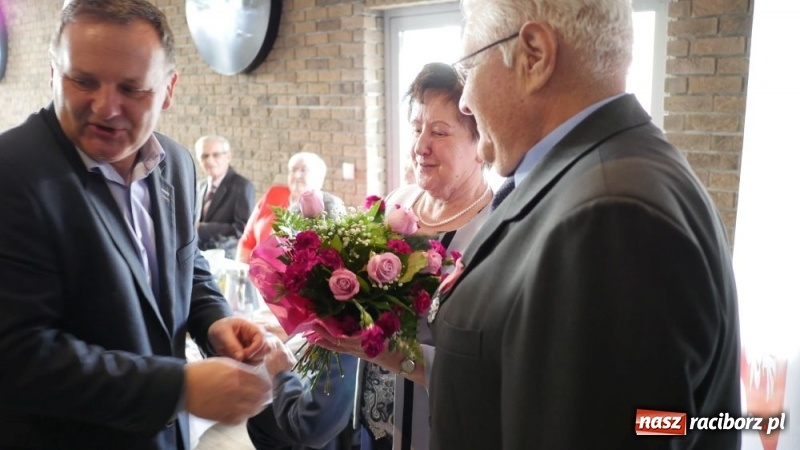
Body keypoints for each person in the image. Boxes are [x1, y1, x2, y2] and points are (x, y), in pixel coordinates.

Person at [427, 1, 741, 449]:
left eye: (470, 68)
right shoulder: (587, 183)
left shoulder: (609, 220)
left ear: (534, 55)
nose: (464, 100)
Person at [0, 1, 272, 449]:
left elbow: (188, 265)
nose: (106, 107)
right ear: (54, 74)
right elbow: (18, 356)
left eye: (132, 88)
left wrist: (215, 321)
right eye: (83, 81)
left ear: (168, 90)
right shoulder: (11, 173)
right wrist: (179, 387)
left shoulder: (176, 164)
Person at [313, 62, 491, 450]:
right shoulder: (398, 203)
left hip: (436, 428)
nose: (420, 145)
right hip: (369, 420)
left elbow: (488, 367)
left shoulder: (491, 230)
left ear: (481, 145)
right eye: (416, 129)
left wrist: (397, 354)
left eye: (439, 132)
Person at [247, 336, 360, 450]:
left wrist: (282, 375)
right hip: (355, 422)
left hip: (357, 434)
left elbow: (311, 427)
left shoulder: (349, 338)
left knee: (260, 421)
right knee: (262, 419)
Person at [238, 152, 346, 264]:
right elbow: (247, 241)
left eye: (303, 170)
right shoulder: (274, 194)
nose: (297, 175)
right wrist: (243, 271)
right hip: (255, 271)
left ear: (319, 177)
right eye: (293, 170)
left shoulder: (329, 206)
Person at [194, 135, 255, 258]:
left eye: (216, 155)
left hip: (225, 256)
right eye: (204, 156)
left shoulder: (242, 186)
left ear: (228, 157)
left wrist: (201, 228)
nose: (210, 161)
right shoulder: (199, 186)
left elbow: (241, 229)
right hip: (199, 255)